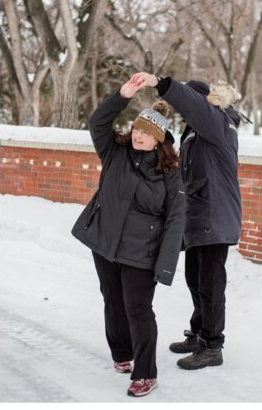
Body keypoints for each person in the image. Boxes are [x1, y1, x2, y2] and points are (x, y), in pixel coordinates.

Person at [71, 75, 185, 397]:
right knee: (112, 300)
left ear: (159, 139)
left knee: (138, 309)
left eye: (147, 133)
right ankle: (122, 353)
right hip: (106, 242)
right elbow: (97, 122)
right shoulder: (114, 153)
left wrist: (165, 264)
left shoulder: (170, 171)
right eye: (136, 129)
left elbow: (177, 218)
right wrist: (122, 95)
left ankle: (146, 373)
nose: (138, 135)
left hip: (142, 250)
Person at [135, 72, 241, 370]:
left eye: (189, 105)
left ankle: (212, 345)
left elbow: (193, 104)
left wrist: (162, 84)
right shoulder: (196, 130)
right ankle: (199, 332)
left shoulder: (217, 123)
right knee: (195, 279)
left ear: (203, 103)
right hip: (198, 216)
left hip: (215, 215)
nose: (185, 112)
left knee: (210, 284)